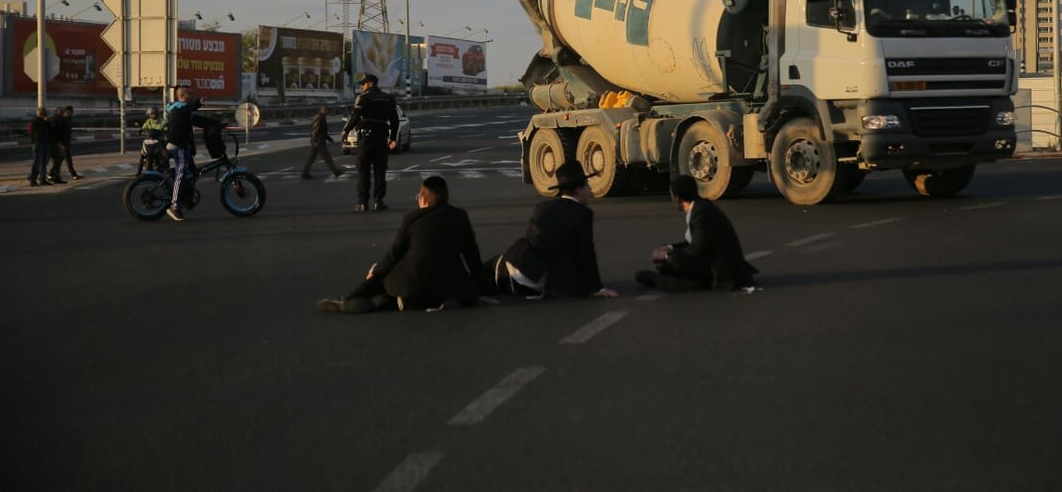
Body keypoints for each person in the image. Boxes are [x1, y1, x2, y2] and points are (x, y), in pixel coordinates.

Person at [317, 175, 484, 313]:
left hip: (413, 286)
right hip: (450, 290)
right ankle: (392, 301)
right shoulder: (460, 216)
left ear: (422, 200)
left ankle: (352, 300)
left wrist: (373, 276)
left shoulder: (412, 219)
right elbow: (472, 257)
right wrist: (480, 288)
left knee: (386, 278)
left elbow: (393, 256)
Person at [485, 160, 619, 299]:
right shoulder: (582, 213)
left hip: (515, 264)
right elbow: (586, 252)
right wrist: (598, 288)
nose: (590, 190)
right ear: (578, 191)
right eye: (587, 185)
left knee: (489, 267)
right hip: (537, 281)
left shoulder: (542, 207)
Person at [635, 175, 758, 293]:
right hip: (708, 259)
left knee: (674, 260)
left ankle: (662, 281)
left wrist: (667, 255)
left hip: (722, 270)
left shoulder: (702, 212)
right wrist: (668, 247)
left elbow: (698, 249)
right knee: (665, 261)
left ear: (677, 198)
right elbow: (693, 242)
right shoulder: (698, 208)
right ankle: (669, 277)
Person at [340, 74, 400, 212]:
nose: (362, 86)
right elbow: (394, 120)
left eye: (364, 83)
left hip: (366, 139)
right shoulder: (388, 98)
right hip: (381, 138)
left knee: (363, 170)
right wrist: (393, 138)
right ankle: (379, 201)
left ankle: (363, 202)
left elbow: (355, 116)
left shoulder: (363, 98)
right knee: (380, 171)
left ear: (371, 83)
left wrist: (346, 131)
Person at [164, 86, 213, 222]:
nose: (192, 95)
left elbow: (197, 119)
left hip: (184, 146)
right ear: (183, 96)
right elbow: (188, 107)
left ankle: (186, 198)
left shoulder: (183, 110)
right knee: (181, 173)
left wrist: (217, 124)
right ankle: (174, 206)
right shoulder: (178, 107)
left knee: (192, 172)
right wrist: (199, 102)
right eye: (190, 94)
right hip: (178, 146)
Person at [302, 103, 343, 179]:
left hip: (318, 141)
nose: (327, 111)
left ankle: (305, 173)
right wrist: (315, 141)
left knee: (311, 158)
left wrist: (328, 138)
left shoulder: (322, 117)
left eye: (327, 110)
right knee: (327, 158)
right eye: (326, 110)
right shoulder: (319, 117)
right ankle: (336, 172)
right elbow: (315, 130)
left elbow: (322, 131)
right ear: (322, 110)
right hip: (318, 142)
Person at [48, 106, 81, 181]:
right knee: (68, 160)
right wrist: (62, 143)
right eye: (68, 112)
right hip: (62, 144)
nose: (69, 114)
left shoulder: (67, 120)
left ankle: (51, 174)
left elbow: (66, 132)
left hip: (65, 143)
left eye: (71, 112)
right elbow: (60, 133)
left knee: (59, 161)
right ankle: (73, 175)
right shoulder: (62, 120)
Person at [27, 107, 52, 187]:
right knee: (37, 162)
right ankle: (33, 179)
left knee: (43, 162)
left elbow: (49, 130)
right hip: (38, 144)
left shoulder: (45, 122)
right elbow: (32, 132)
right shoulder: (35, 122)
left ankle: (42, 179)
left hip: (44, 143)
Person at [138, 107, 168, 175]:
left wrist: (165, 129)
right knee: (143, 153)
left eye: (153, 114)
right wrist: (141, 130)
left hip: (160, 140)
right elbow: (144, 127)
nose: (151, 116)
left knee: (164, 153)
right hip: (150, 140)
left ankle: (165, 167)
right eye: (150, 114)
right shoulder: (148, 121)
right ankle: (139, 171)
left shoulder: (163, 121)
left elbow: (166, 126)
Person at [44, 106, 68, 184]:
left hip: (50, 143)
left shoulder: (49, 119)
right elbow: (60, 133)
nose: (62, 113)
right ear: (58, 111)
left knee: (55, 161)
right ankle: (55, 177)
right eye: (61, 112)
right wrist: (61, 143)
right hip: (54, 143)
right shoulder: (60, 119)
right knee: (56, 161)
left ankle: (55, 177)